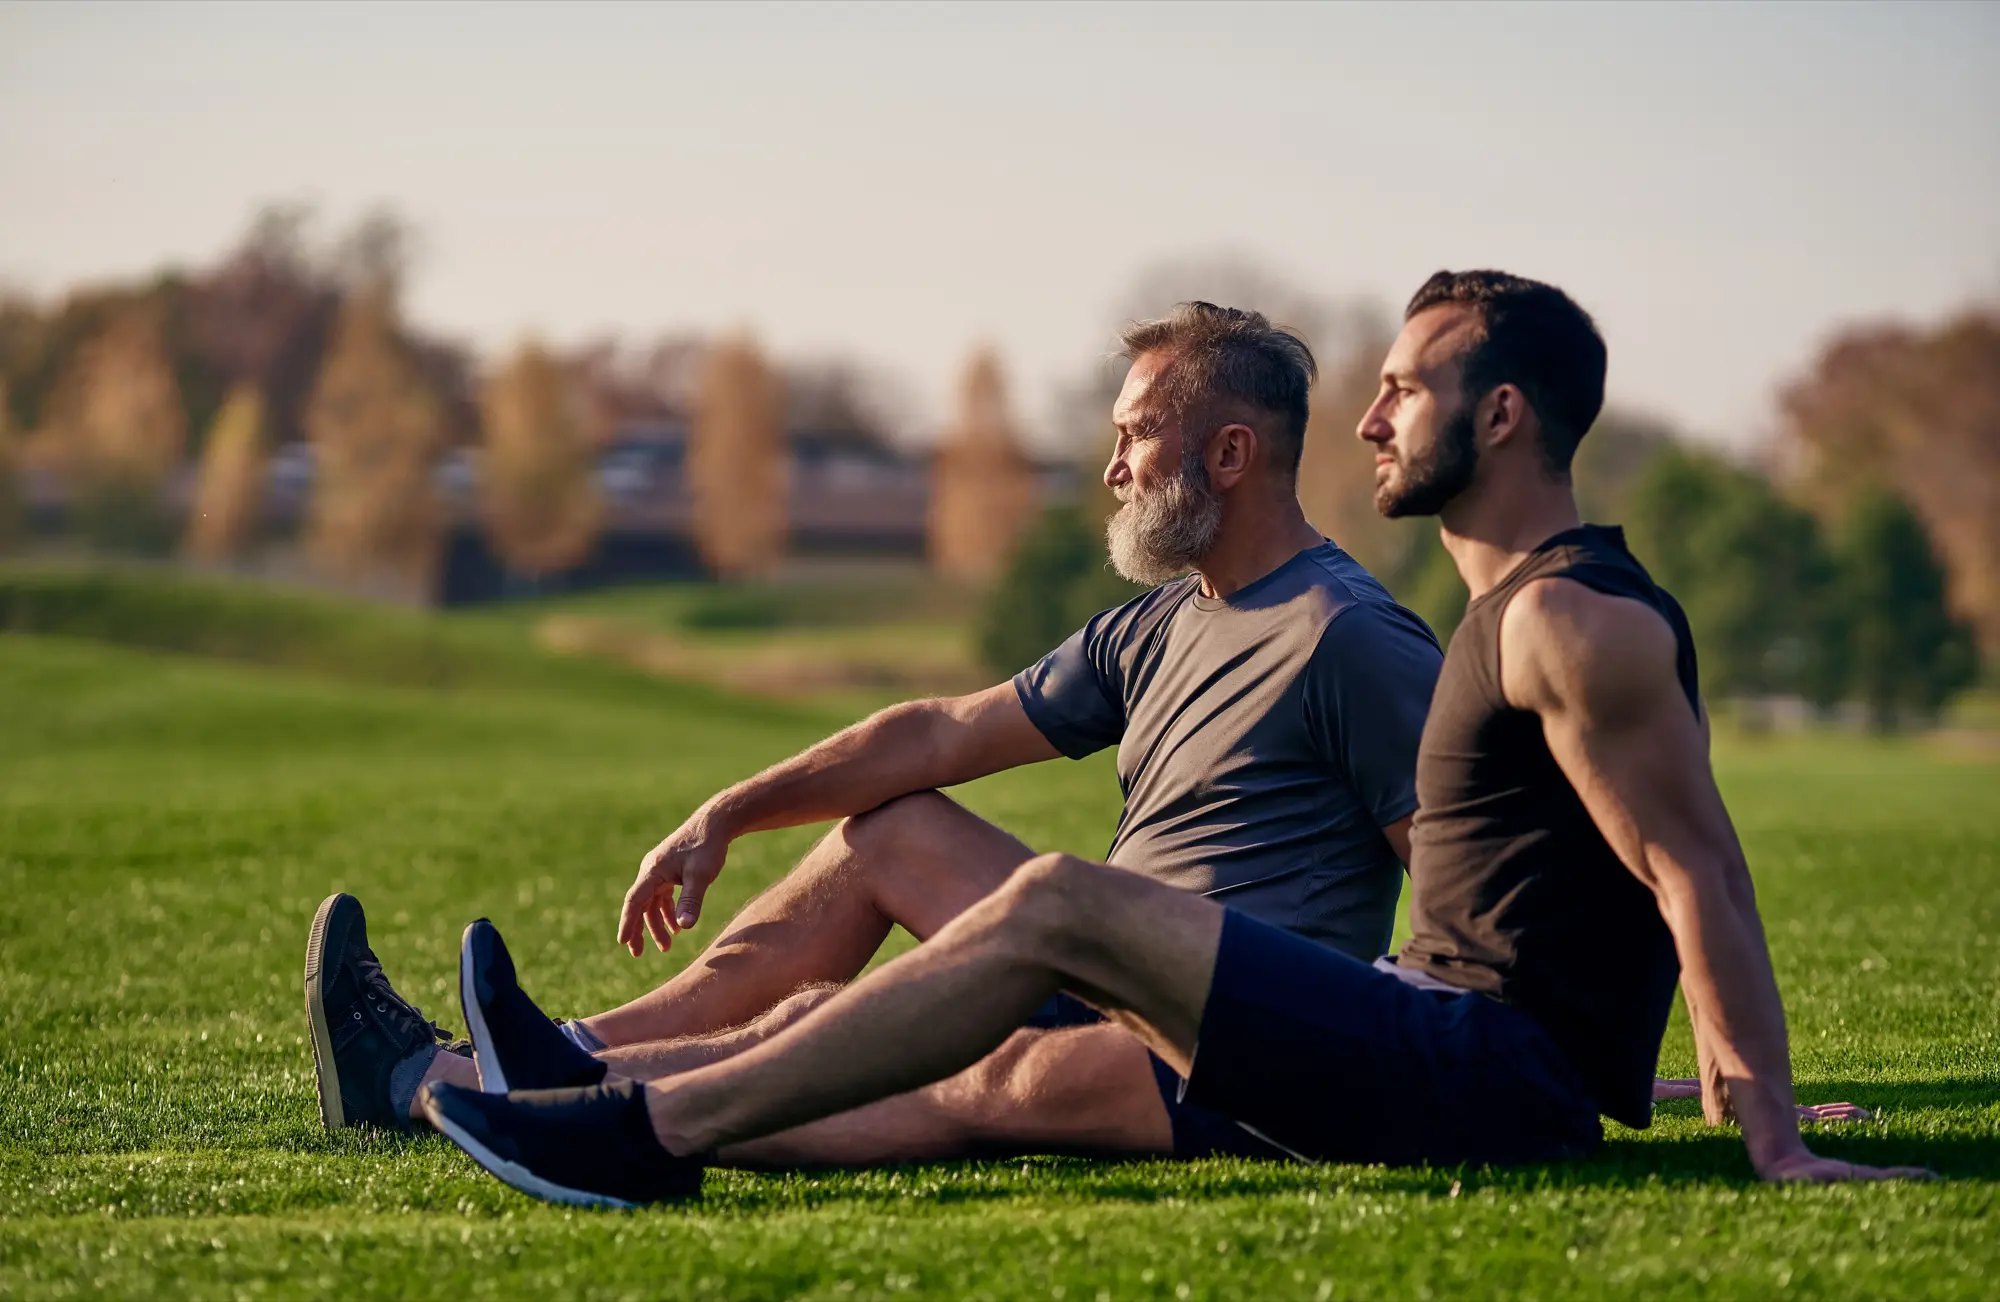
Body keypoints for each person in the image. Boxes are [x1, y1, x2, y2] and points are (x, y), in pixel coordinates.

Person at [416, 269, 1930, 1204]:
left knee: (1055, 917)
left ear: (1508, 414)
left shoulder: (1561, 618)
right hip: (1444, 1032)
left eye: (1405, 388)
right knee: (1018, 912)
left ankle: (644, 1131)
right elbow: (1537, 915)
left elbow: (1694, 871)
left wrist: (1772, 1131)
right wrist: (1696, 1082)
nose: (1371, 419)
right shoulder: (1501, 613)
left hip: (1481, 1071)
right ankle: (599, 1097)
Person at [303, 302, 1445, 1162]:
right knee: (888, 830)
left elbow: (1453, 886)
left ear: (1230, 455)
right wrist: (727, 815)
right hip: (1101, 970)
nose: (1108, 470)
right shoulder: (1154, 626)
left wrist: (1519, 1058)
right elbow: (940, 732)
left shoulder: (1347, 638)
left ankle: (458, 1088)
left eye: (1135, 437)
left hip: (1222, 1040)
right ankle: (566, 1053)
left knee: (879, 1040)